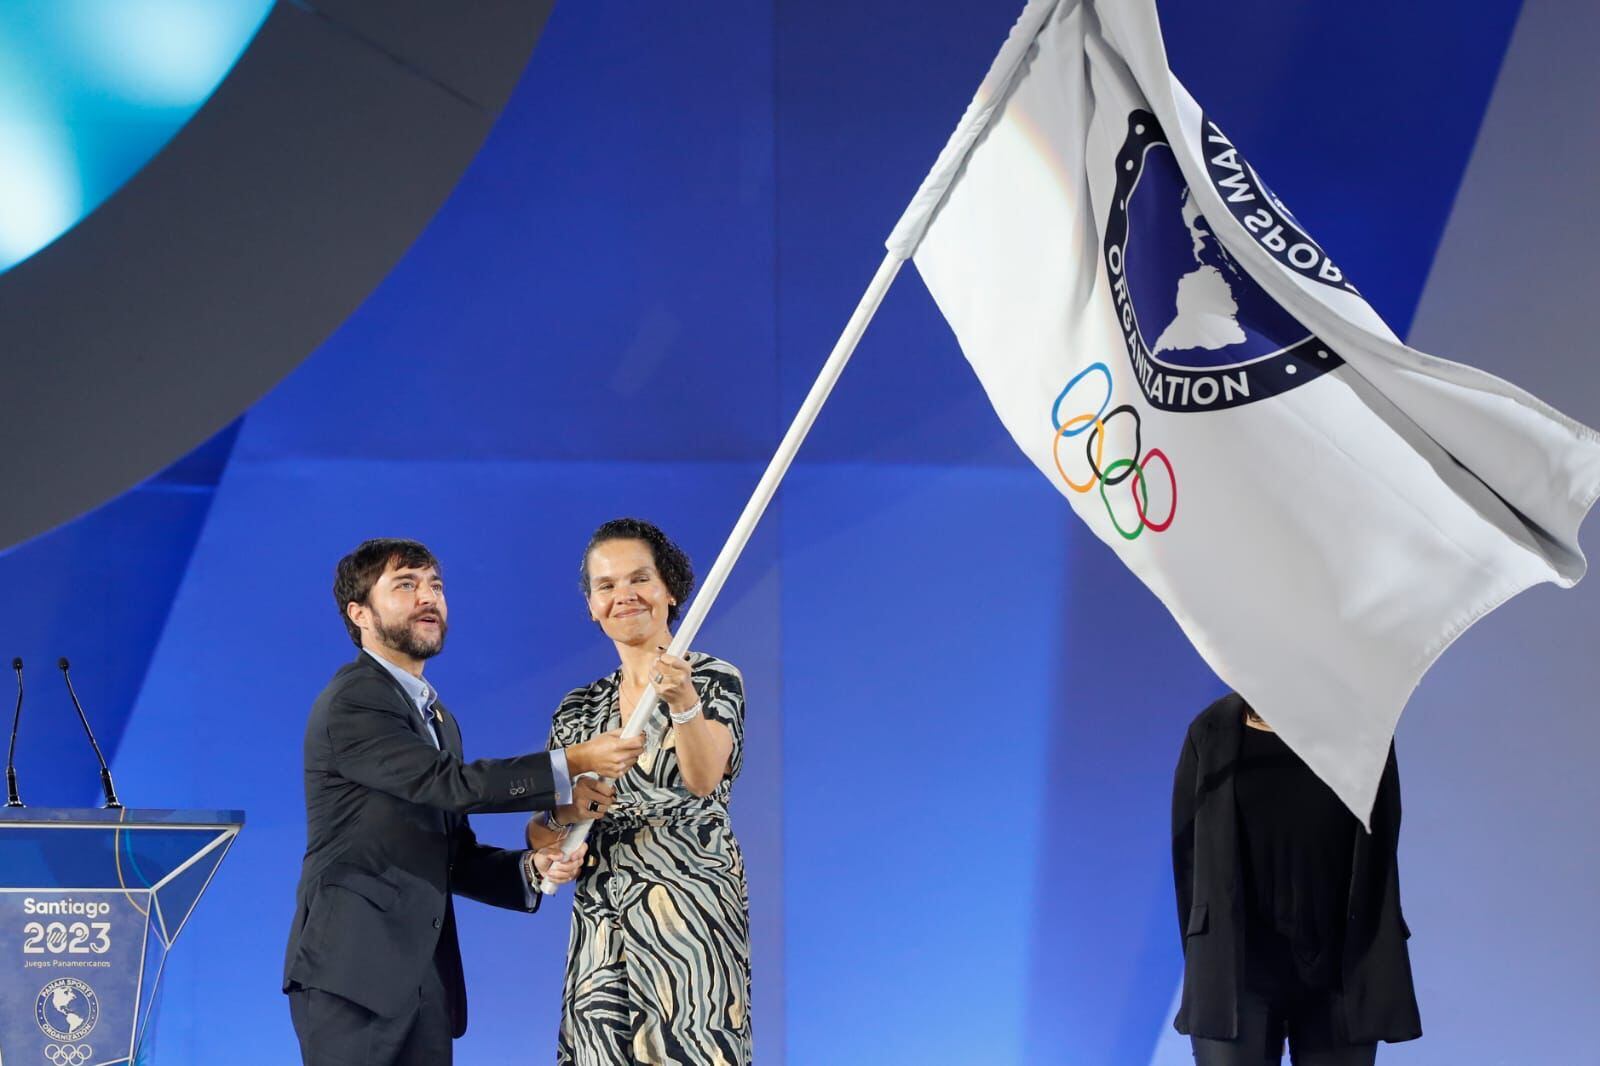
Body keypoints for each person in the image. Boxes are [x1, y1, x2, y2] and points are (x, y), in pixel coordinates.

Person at [283, 538, 644, 1066]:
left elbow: (450, 853)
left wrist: (529, 866)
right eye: (405, 585)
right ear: (359, 614)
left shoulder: (438, 719)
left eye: (435, 585)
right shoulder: (355, 700)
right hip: (352, 977)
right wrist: (573, 761)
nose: (427, 597)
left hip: (425, 982)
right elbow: (449, 783)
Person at [527, 518, 752, 1065]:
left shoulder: (714, 677)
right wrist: (558, 837)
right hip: (603, 919)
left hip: (690, 916)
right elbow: (543, 827)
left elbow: (703, 780)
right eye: (605, 586)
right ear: (591, 606)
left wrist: (684, 702)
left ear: (669, 590)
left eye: (639, 580)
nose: (623, 596)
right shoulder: (578, 709)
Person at [1171, 692, 1422, 1066]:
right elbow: (1188, 860)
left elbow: (1383, 842)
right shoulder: (1210, 730)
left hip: (1339, 971)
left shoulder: (1362, 731)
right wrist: (1204, 953)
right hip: (1238, 973)